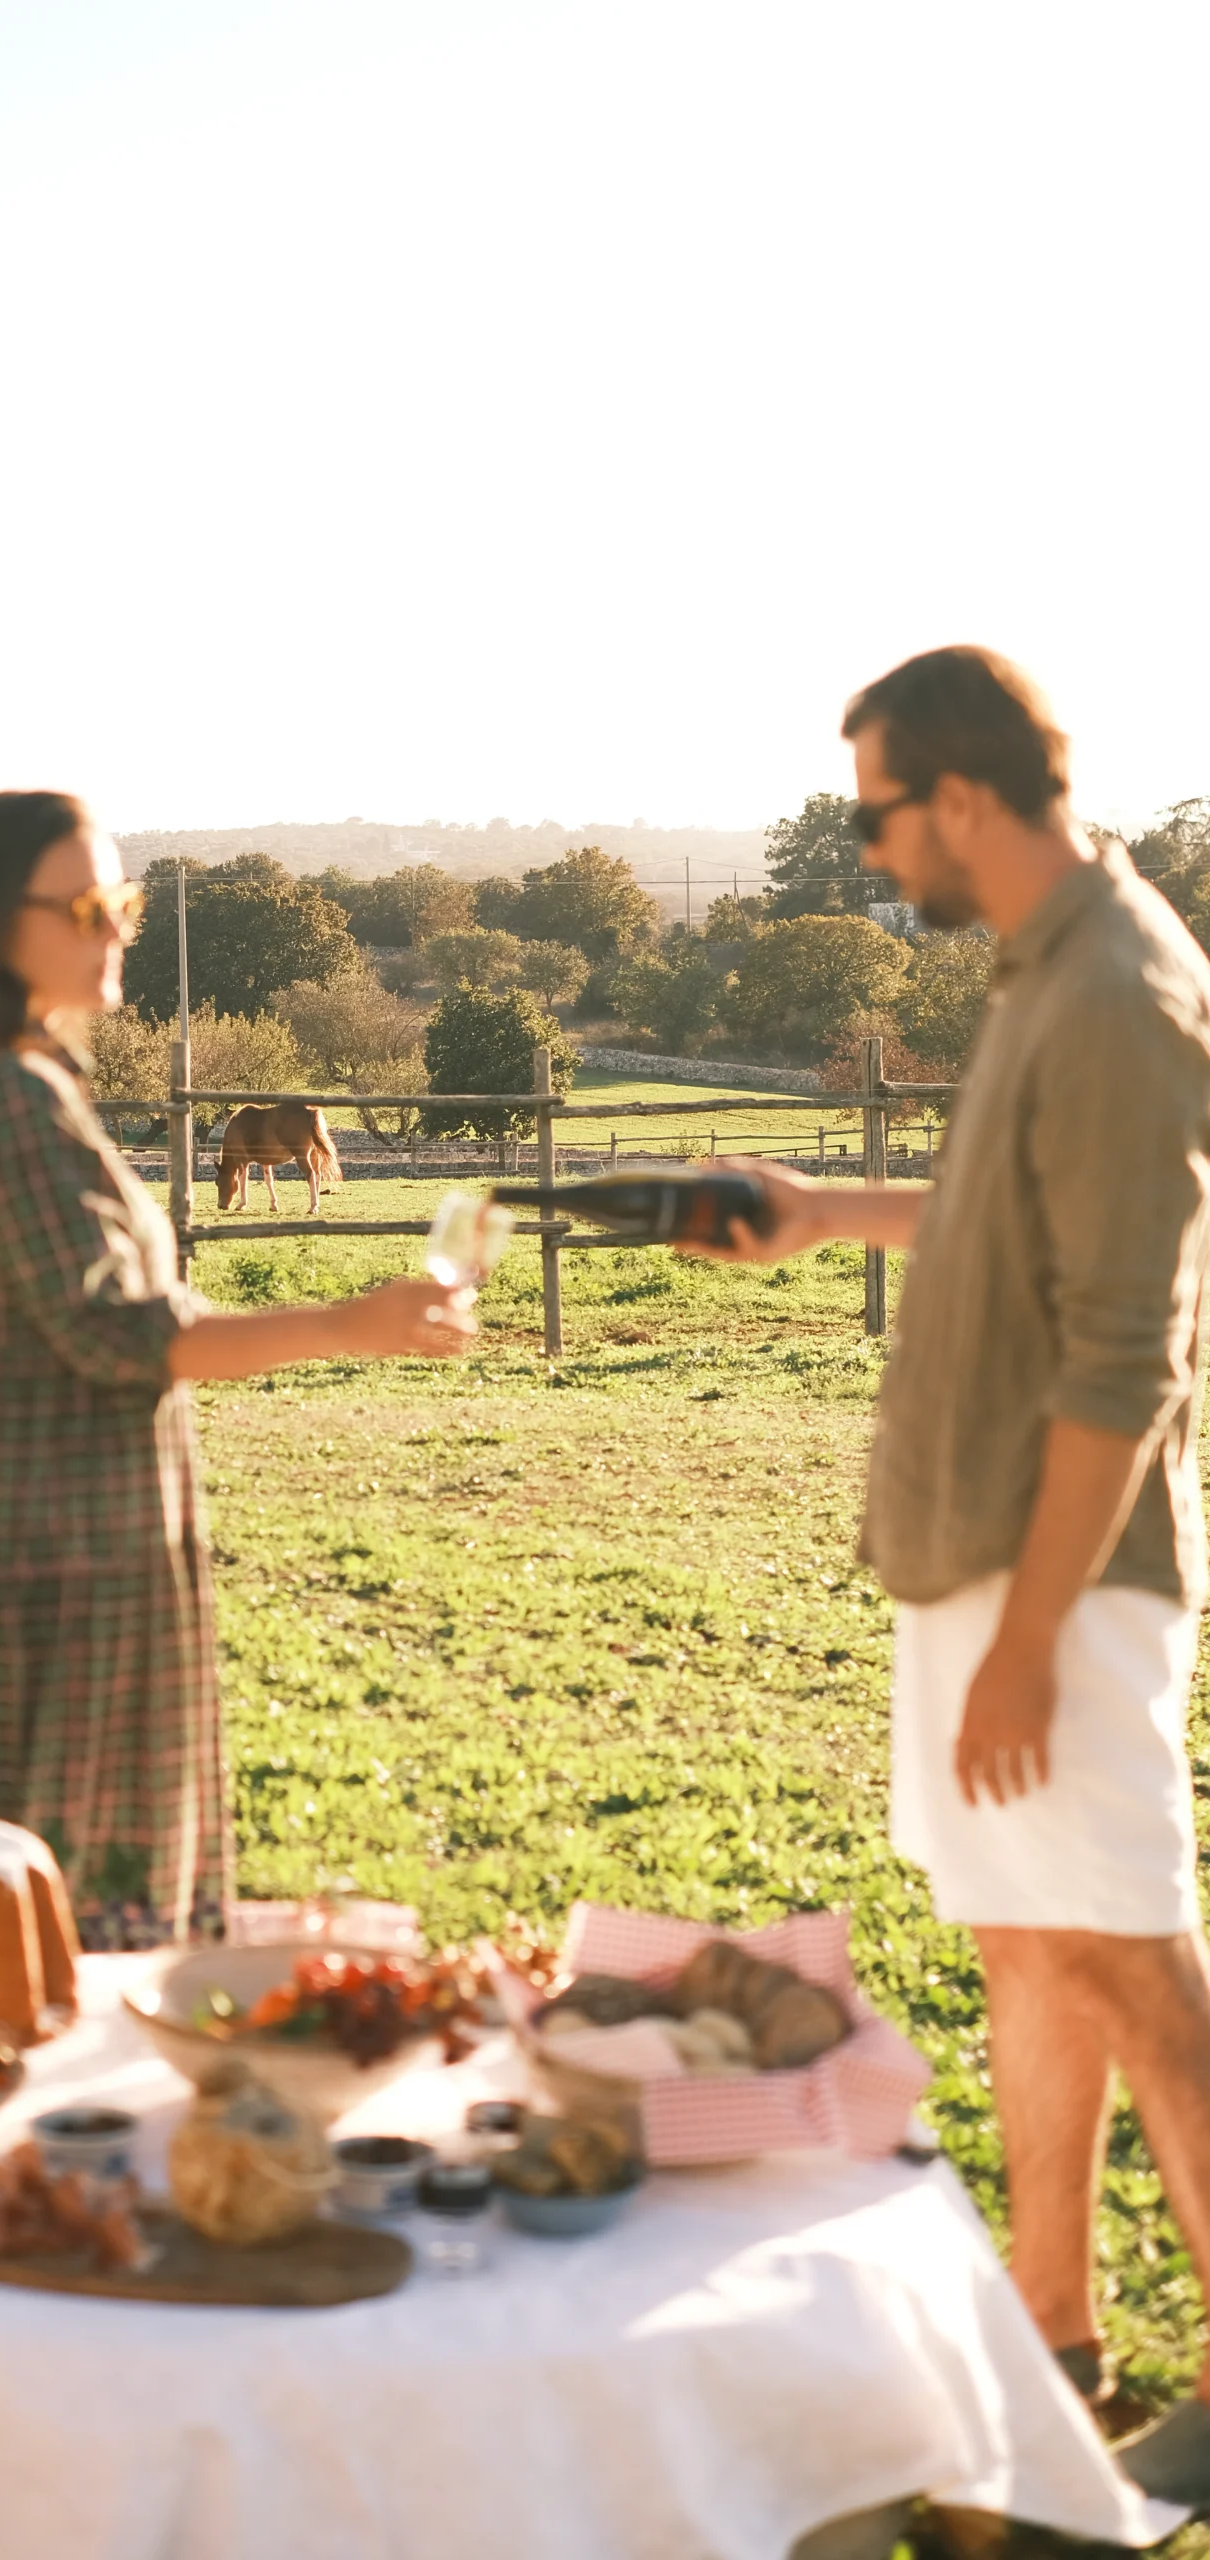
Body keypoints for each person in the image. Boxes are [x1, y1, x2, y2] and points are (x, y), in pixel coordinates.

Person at [701, 648, 1210, 2504]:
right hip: (980, 1567)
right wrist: (823, 1215)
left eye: (873, 815)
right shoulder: (1038, 975)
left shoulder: (1122, 994)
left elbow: (1124, 1354)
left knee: (1135, 1966)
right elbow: (1007, 1217)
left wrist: (1030, 1636)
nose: (864, 851)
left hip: (1052, 1576)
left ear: (965, 799)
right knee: (1023, 1938)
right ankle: (1051, 2349)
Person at [0, 790, 473, 1956]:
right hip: (44, 1566)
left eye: (122, 901)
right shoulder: (10, 1101)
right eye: (88, 906)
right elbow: (124, 1334)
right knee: (54, 1920)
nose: (119, 927)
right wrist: (352, 1322)